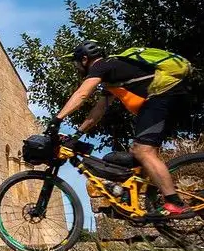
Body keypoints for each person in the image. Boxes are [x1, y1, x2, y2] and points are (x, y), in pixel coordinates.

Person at [48, 40, 191, 216]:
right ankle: (141, 201)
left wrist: (57, 118)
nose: (77, 68)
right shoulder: (112, 77)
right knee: (138, 153)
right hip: (167, 99)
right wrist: (77, 135)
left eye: (77, 63)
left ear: (85, 59)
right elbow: (97, 112)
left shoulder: (101, 66)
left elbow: (82, 94)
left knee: (143, 151)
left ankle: (174, 202)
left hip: (161, 99)